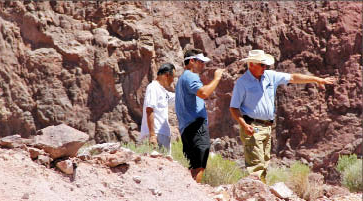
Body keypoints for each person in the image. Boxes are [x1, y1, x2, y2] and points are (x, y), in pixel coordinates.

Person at [229, 50, 335, 183]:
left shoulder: (270, 76)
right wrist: (244, 125)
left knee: (264, 164)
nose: (265, 67)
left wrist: (317, 79)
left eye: (265, 65)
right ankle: (255, 193)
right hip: (252, 126)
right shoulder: (242, 83)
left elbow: (293, 78)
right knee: (256, 165)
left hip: (267, 126)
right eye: (262, 65)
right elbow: (234, 108)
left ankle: (260, 192)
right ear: (251, 64)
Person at [175, 49, 225, 183]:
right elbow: (203, 93)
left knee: (193, 166)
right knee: (199, 166)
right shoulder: (190, 76)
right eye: (201, 62)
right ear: (192, 61)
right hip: (196, 126)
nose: (203, 65)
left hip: (186, 128)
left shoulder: (181, 79)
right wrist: (217, 78)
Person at [140, 63, 176, 152]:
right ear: (167, 75)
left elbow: (177, 98)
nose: (173, 81)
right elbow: (149, 110)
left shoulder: (163, 91)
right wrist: (152, 135)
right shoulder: (153, 87)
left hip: (162, 134)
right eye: (173, 77)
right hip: (156, 134)